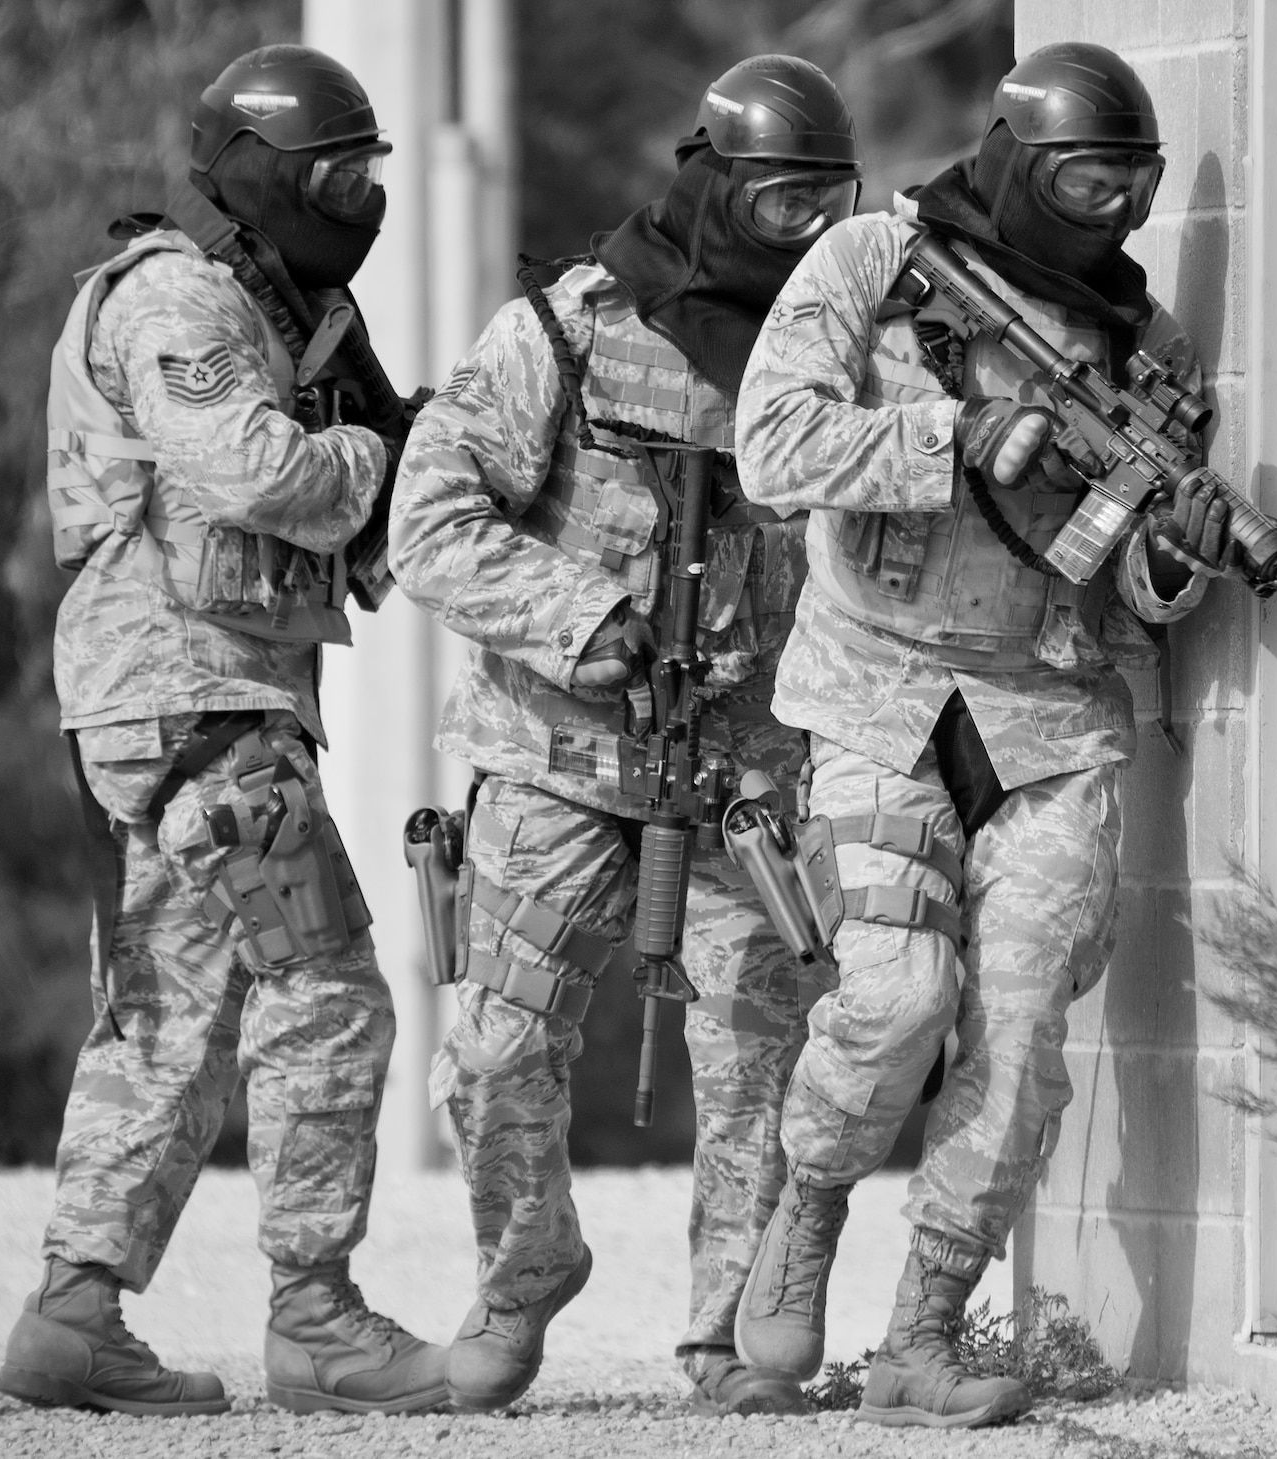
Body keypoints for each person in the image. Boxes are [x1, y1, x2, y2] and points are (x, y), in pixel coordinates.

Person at [731, 42, 1234, 1429]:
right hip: (879, 695)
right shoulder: (871, 267)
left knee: (1020, 1047)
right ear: (1018, 157)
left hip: (1051, 715)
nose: (1116, 215)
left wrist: (1178, 557)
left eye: (1135, 186)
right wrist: (960, 436)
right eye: (1085, 179)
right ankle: (811, 1203)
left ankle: (922, 1338)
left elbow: (1124, 577)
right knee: (893, 1005)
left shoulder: (1148, 349)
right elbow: (770, 448)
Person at [387, 56, 863, 1416]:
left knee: (760, 1064)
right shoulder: (565, 330)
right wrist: (581, 618)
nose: (801, 232)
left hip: (751, 777)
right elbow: (432, 516)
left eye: (827, 203)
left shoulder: (851, 348)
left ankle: (730, 1339)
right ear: (710, 180)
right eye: (776, 200)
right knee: (493, 1045)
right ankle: (524, 1277)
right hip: (558, 753)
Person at [0, 46, 446, 1417]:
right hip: (189, 694)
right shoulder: (181, 297)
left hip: (190, 700)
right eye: (333, 175)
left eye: (369, 172)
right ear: (260, 175)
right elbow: (258, 473)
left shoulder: (281, 310)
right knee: (328, 996)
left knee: (165, 1020)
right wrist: (379, 451)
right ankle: (316, 1320)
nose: (357, 198)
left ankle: (75, 1315)